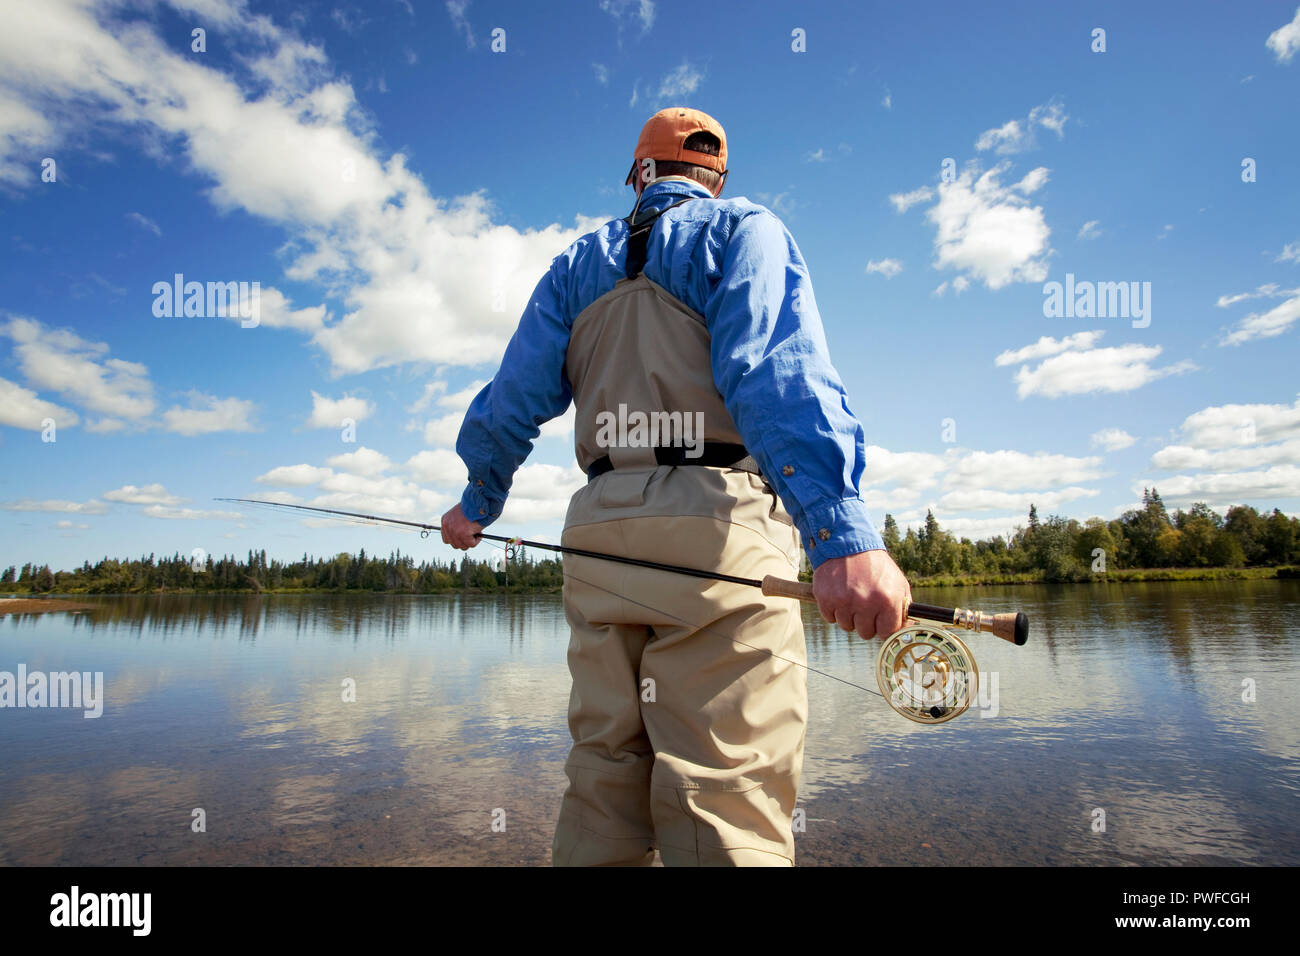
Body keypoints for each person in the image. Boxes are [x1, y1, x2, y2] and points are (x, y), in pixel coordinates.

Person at [440, 107, 910, 866]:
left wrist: (476, 504)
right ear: (715, 178)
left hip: (598, 536)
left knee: (601, 775)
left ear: (639, 176)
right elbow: (772, 374)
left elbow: (513, 398)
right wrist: (839, 535)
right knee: (725, 790)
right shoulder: (742, 229)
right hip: (717, 533)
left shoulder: (574, 264)